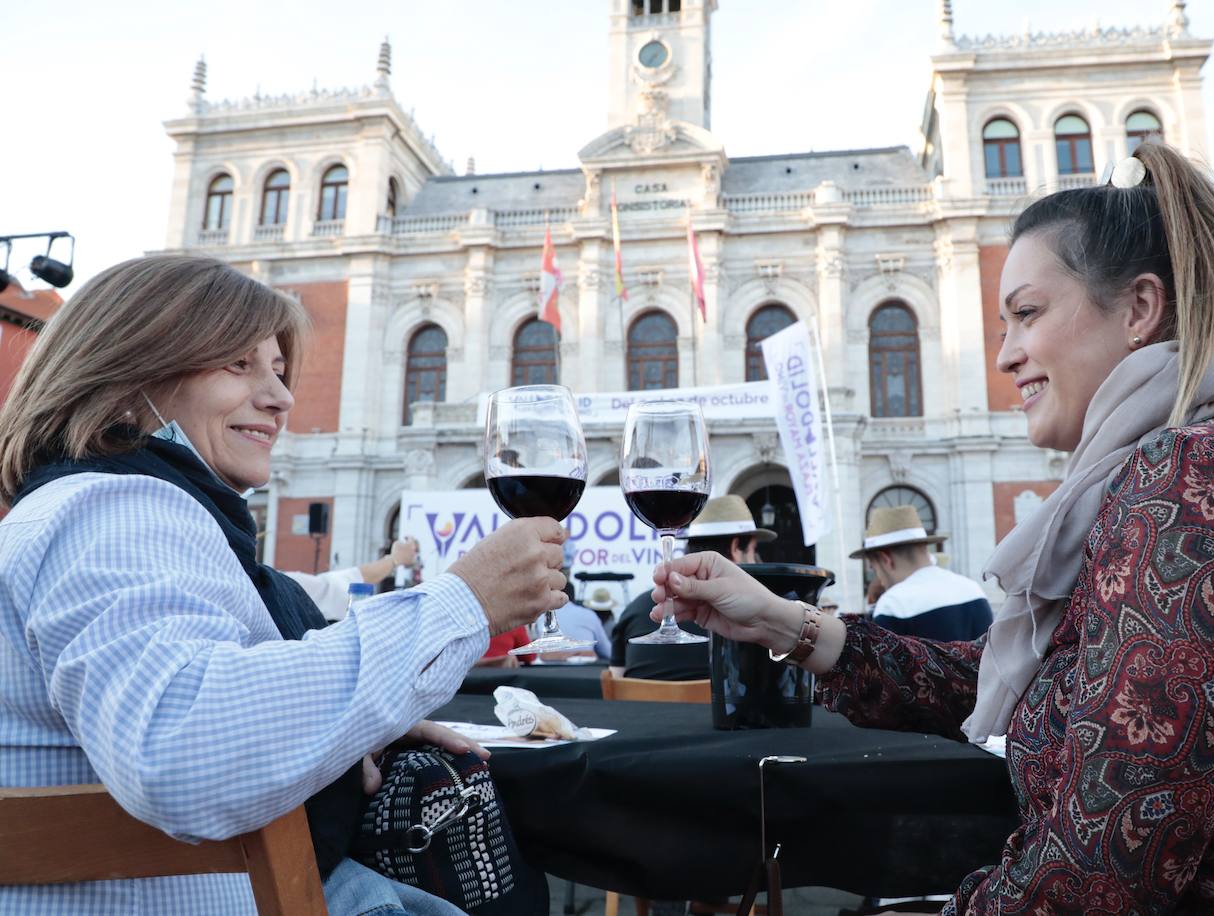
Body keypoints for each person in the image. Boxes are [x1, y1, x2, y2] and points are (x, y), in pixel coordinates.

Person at [645, 142, 1214, 914]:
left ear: (1140, 309)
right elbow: (1041, 688)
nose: (1003, 355)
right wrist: (783, 622)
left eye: (1027, 313)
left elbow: (1097, 877)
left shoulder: (1201, 479)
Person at [0, 255, 568, 914]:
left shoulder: (96, 507)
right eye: (238, 364)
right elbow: (182, 746)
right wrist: (460, 601)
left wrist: (352, 724)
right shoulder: (116, 509)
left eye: (277, 369)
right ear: (126, 376)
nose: (281, 396)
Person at [610, 494, 773, 680]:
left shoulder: (635, 609)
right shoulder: (755, 619)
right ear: (736, 548)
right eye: (753, 550)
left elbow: (615, 680)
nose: (755, 559)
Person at [854, 506, 992, 642]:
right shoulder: (972, 589)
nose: (880, 580)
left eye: (875, 568)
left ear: (886, 560)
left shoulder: (894, 604)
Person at [285, 536, 421, 621]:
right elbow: (339, 587)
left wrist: (394, 560)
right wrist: (394, 559)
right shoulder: (274, 585)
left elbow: (339, 585)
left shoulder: (276, 583)